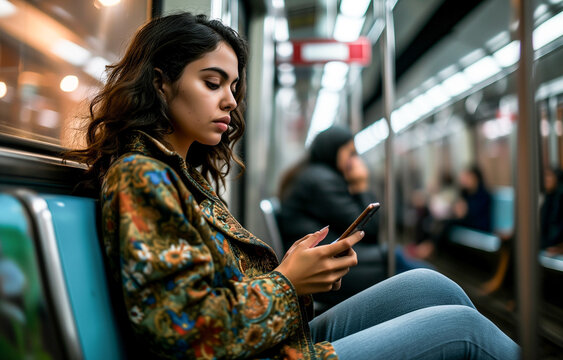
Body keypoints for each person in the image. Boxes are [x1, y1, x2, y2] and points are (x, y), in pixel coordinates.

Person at [65, 12, 519, 359]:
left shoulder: (182, 175)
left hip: (268, 343)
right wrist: (287, 280)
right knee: (466, 329)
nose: (229, 100)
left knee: (428, 286)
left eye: (234, 86)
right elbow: (183, 332)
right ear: (161, 85)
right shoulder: (142, 176)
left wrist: (295, 271)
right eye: (212, 82)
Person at [277, 126, 431, 306]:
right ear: (334, 151)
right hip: (322, 268)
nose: (354, 160)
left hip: (321, 257)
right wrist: (361, 185)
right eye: (350, 153)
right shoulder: (322, 181)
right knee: (394, 257)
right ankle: (437, 289)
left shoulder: (313, 175)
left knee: (395, 256)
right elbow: (370, 231)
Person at [540, 167, 563, 254]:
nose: (546, 180)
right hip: (546, 243)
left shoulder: (559, 198)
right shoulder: (548, 197)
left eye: (549, 176)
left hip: (555, 245)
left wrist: (560, 247)